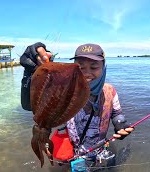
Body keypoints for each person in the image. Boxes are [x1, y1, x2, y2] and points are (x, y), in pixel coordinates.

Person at [20, 42, 134, 170]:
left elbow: (116, 113)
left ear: (103, 67)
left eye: (94, 67)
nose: (87, 73)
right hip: (72, 156)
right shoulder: (64, 90)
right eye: (81, 68)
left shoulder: (109, 90)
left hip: (100, 152)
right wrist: (29, 72)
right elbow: (29, 105)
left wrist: (120, 123)